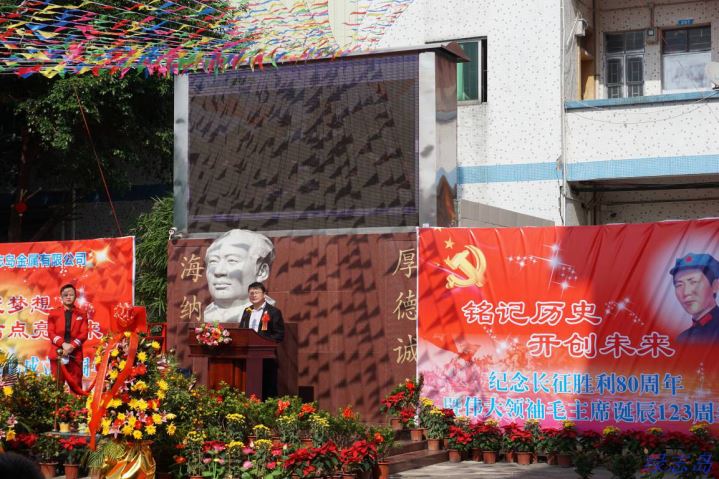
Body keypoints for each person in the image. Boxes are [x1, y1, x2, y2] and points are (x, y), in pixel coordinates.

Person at [203, 229, 276, 323]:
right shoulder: (209, 313)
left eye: (232, 260)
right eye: (213, 261)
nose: (218, 271)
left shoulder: (266, 312)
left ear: (261, 272)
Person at [239, 282, 285, 398]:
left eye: (256, 292)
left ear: (264, 294)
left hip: (266, 357)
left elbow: (279, 335)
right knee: (249, 387)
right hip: (248, 356)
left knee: (267, 389)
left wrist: (263, 342)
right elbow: (241, 331)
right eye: (251, 293)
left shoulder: (274, 312)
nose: (253, 295)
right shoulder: (247, 311)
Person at [47, 283, 88, 394]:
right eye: (66, 295)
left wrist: (72, 346)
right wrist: (63, 344)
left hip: (75, 355)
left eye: (71, 295)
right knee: (56, 387)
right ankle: (56, 406)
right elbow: (50, 332)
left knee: (76, 387)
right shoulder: (53, 313)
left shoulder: (82, 313)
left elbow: (84, 333)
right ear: (61, 297)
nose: (68, 297)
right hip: (57, 354)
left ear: (75, 296)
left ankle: (76, 406)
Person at [670, 253, 719, 343]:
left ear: (715, 285)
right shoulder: (682, 339)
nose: (686, 292)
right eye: (679, 285)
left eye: (694, 282)